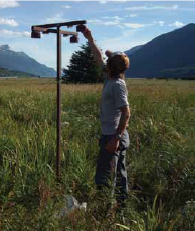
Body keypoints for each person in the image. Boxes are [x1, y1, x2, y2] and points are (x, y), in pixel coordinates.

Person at [82, 27, 131, 210]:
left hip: (114, 136)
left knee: (106, 176)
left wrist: (116, 139)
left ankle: (105, 212)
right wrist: (90, 38)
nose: (105, 60)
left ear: (111, 66)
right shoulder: (111, 77)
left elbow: (127, 113)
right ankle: (120, 209)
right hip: (112, 135)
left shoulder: (117, 85)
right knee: (119, 174)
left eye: (108, 59)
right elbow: (98, 57)